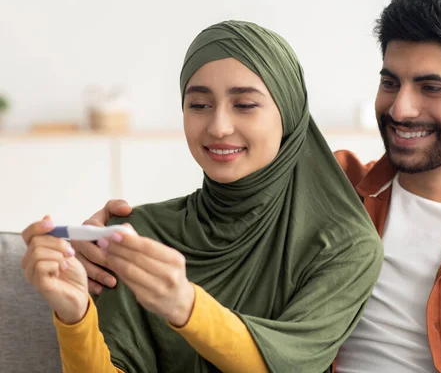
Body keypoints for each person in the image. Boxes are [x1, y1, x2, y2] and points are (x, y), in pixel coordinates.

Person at [79, 0, 441, 372]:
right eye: (390, 82)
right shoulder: (326, 190)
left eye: (432, 87)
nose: (402, 107)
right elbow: (217, 212)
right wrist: (99, 241)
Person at [20, 20, 384, 373]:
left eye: (244, 105)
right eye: (198, 105)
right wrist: (74, 315)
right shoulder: (137, 234)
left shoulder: (344, 245)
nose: (218, 127)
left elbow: (292, 365)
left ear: (289, 114)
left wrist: (185, 306)